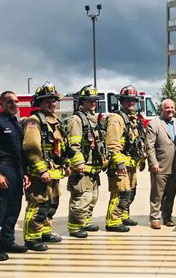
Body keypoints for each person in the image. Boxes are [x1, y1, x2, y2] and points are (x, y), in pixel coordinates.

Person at [0, 91, 29, 261]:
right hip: (3, 170)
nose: (14, 104)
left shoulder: (16, 125)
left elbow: (20, 152)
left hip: (17, 172)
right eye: (9, 101)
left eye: (17, 101)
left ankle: (8, 242)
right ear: (1, 104)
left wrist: (25, 173)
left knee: (13, 209)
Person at [23, 82, 70, 251]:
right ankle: (32, 238)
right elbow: (32, 148)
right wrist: (42, 170)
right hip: (40, 174)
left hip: (54, 172)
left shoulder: (54, 121)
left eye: (54, 100)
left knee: (51, 204)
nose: (52, 103)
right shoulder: (34, 121)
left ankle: (45, 232)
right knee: (39, 205)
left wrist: (66, 164)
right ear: (39, 103)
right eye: (47, 100)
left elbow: (61, 146)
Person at [65, 85, 108, 238]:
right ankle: (75, 227)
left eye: (95, 100)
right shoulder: (76, 120)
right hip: (83, 167)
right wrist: (78, 163)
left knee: (93, 197)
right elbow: (73, 145)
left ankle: (85, 222)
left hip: (93, 167)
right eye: (89, 101)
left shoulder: (94, 119)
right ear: (81, 102)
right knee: (82, 197)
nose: (93, 103)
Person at [105, 85, 146, 232]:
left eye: (133, 100)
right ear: (121, 101)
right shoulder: (116, 119)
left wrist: (142, 160)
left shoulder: (134, 119)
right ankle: (113, 222)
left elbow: (138, 141)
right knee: (120, 192)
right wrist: (120, 164)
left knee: (131, 192)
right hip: (121, 164)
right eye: (127, 100)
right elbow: (112, 144)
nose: (131, 103)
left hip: (132, 163)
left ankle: (123, 216)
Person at [146, 99, 176, 229]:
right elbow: (149, 145)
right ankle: (155, 217)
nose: (170, 110)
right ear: (162, 109)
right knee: (157, 194)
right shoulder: (154, 123)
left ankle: (167, 217)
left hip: (175, 165)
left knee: (171, 193)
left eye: (172, 108)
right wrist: (153, 162)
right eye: (167, 108)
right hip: (159, 165)